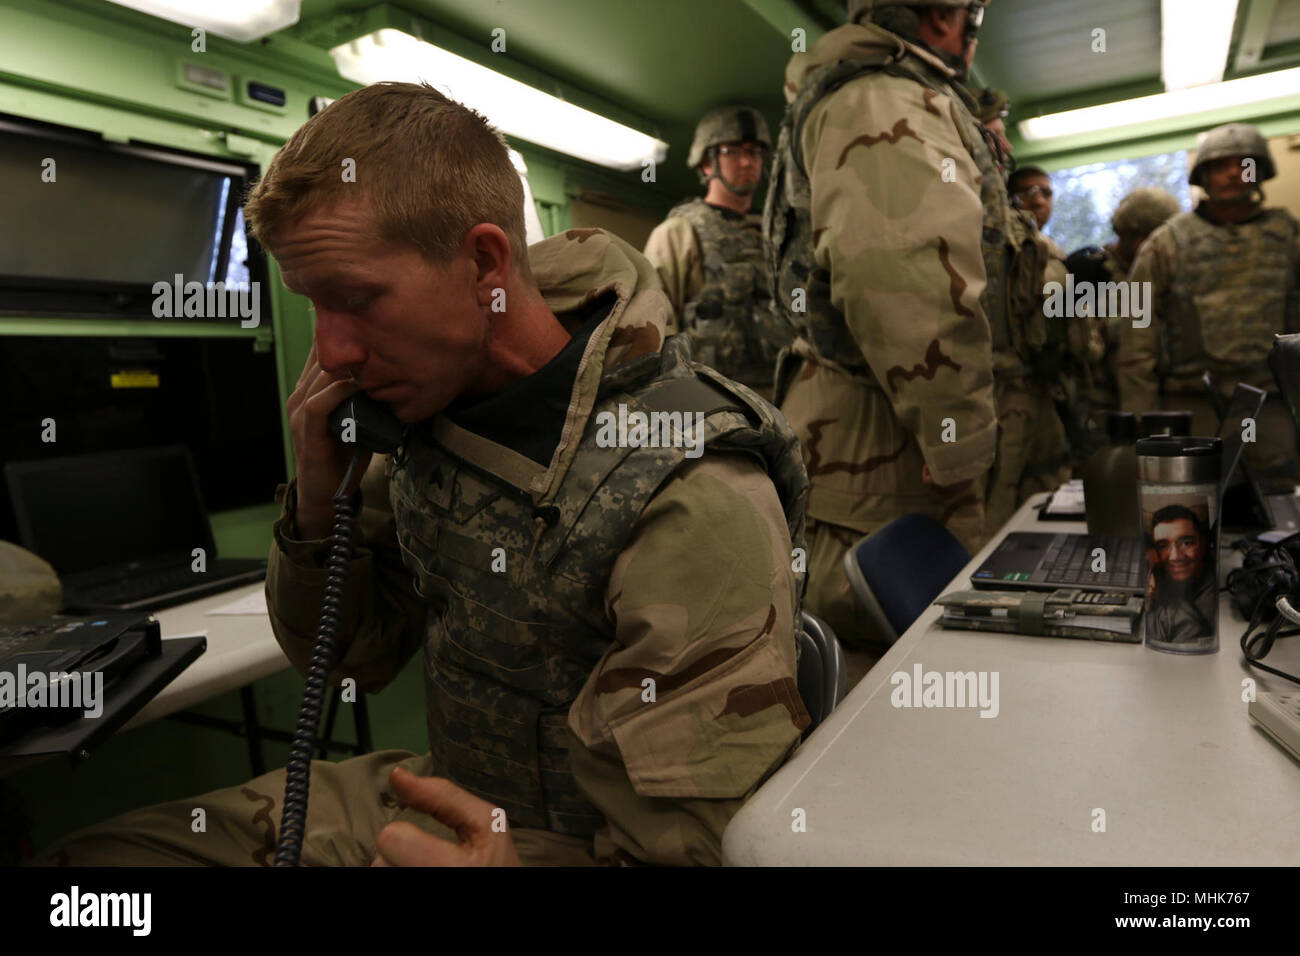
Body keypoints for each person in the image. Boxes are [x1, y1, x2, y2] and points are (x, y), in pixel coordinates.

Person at [39, 81, 811, 867]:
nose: (332, 351)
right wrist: (316, 496)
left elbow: (702, 854)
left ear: (484, 263)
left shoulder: (690, 490)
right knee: (92, 869)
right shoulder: (426, 407)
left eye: (357, 300)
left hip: (571, 847)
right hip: (443, 788)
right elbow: (350, 661)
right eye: (312, 304)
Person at [764, 0, 997, 672]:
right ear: (943, 19)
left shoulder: (872, 91)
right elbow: (908, 278)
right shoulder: (883, 98)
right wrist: (958, 440)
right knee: (896, 679)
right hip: (882, 449)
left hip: (883, 433)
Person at [1118, 122, 1300, 485]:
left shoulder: (1288, 236)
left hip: (1270, 403)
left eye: (1244, 163)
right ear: (1203, 175)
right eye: (1221, 165)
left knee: (1279, 506)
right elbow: (1136, 329)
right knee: (1193, 507)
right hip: (1195, 403)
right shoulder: (1167, 241)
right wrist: (1142, 416)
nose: (1234, 172)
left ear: (1260, 171)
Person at [643, 106, 790, 398]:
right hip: (712, 403)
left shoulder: (780, 234)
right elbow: (653, 329)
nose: (747, 161)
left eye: (755, 151)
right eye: (731, 151)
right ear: (706, 162)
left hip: (783, 397)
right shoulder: (676, 234)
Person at [1066, 187, 1180, 432]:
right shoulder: (1088, 271)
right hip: (1100, 405)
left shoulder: (1164, 273)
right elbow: (1074, 345)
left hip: (1157, 396)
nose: (1155, 245)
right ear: (1125, 233)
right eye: (1148, 236)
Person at [1145, 504, 1216, 643]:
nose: (1175, 556)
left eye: (1186, 543)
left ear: (1203, 543)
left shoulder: (1213, 602)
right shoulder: (1154, 576)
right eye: (1163, 546)